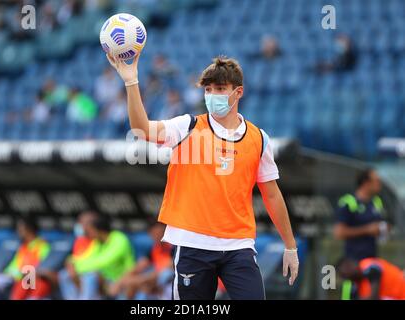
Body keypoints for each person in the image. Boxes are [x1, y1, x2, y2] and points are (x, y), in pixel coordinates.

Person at [106, 53, 299, 300]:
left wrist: (290, 246)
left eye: (220, 89)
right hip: (192, 243)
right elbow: (141, 129)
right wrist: (131, 81)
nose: (212, 95)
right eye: (208, 89)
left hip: (238, 244)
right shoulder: (187, 127)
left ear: (238, 92)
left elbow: (272, 194)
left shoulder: (259, 138)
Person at [58, 215, 135, 300]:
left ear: (99, 230)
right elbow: (87, 257)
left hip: (121, 280)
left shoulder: (119, 239)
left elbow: (102, 262)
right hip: (105, 279)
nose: (88, 233)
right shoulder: (98, 242)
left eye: (91, 230)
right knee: (64, 274)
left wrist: (75, 266)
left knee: (90, 277)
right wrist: (71, 262)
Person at [108, 221, 174, 300]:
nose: (157, 236)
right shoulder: (154, 248)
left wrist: (138, 281)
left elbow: (165, 269)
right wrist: (120, 282)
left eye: (160, 232)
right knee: (134, 284)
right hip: (152, 282)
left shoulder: (173, 247)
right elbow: (139, 266)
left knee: (165, 275)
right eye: (153, 233)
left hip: (168, 280)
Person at [334, 169, 390, 261]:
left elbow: (381, 224)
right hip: (353, 261)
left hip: (372, 259)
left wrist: (384, 228)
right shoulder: (348, 202)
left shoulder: (377, 201)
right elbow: (339, 233)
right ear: (366, 183)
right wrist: (367, 230)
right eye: (377, 181)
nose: (379, 184)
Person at [337, 257, 405, 300]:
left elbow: (373, 297)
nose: (348, 272)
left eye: (348, 267)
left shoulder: (368, 266)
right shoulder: (356, 285)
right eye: (344, 274)